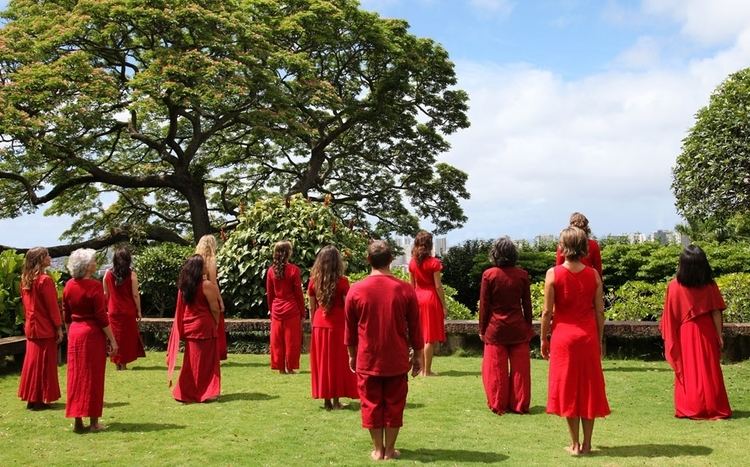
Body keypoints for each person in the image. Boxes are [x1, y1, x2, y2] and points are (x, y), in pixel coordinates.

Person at [345, 240, 423, 461]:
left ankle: (378, 449)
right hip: (396, 357)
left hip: (368, 358)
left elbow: (349, 330)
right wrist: (418, 355)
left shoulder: (356, 290)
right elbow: (416, 328)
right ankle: (390, 449)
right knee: (394, 404)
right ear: (391, 259)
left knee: (370, 404)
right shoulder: (405, 289)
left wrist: (352, 354)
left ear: (368, 260)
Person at [541, 227, 610, 455]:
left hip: (563, 337)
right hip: (588, 335)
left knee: (569, 389)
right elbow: (600, 312)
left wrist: (543, 338)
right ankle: (588, 443)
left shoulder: (553, 274)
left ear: (563, 247)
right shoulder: (594, 275)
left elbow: (547, 313)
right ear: (583, 247)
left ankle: (575, 444)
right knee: (589, 388)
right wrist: (599, 339)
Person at [660, 245, 731, 419]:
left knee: (688, 370)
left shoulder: (674, 286)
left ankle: (691, 406)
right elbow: (715, 311)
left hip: (685, 334)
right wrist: (719, 334)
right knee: (709, 370)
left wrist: (672, 338)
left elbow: (670, 316)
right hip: (706, 330)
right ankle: (714, 406)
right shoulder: (710, 285)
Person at [63, 248, 118, 433]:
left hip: (75, 334)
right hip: (91, 334)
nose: (96, 263)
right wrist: (113, 340)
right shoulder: (94, 286)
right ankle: (94, 422)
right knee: (93, 378)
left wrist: (70, 334)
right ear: (87, 266)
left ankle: (78, 420)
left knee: (76, 377)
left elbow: (67, 314)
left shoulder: (69, 285)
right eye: (94, 261)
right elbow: (102, 318)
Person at [478, 237, 534, 415]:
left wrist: (481, 329)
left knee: (496, 370)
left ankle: (498, 403)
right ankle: (520, 404)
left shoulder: (489, 275)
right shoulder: (522, 275)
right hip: (518, 327)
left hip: (496, 328)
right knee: (521, 370)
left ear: (495, 254)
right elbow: (527, 304)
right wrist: (528, 326)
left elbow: (484, 306)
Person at [166, 255, 222, 403]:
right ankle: (205, 392)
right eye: (203, 265)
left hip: (189, 326)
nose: (206, 268)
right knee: (206, 363)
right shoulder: (206, 285)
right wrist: (215, 323)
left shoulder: (184, 287)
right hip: (204, 326)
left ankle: (187, 392)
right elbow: (215, 309)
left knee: (191, 363)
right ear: (198, 268)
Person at [308, 245, 358, 410]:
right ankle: (336, 401)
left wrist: (313, 324)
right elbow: (348, 307)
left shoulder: (314, 281)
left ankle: (327, 400)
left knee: (322, 362)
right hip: (338, 325)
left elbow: (312, 308)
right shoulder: (343, 282)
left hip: (319, 325)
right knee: (337, 363)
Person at [17, 247, 63, 410]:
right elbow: (52, 307)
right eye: (47, 255)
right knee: (45, 364)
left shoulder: (25, 279)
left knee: (32, 363)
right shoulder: (45, 280)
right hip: (45, 328)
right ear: (40, 259)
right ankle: (42, 398)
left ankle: (32, 397)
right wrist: (59, 327)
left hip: (32, 327)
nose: (50, 258)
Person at [408, 231, 446, 376]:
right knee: (429, 337)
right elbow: (438, 286)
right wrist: (444, 305)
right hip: (430, 298)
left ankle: (422, 369)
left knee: (421, 335)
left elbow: (411, 286)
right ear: (430, 245)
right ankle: (426, 371)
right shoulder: (434, 263)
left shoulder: (412, 263)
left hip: (417, 298)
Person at [102, 246, 145, 370]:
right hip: (128, 311)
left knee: (115, 337)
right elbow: (135, 295)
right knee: (126, 338)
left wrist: (106, 308)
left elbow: (106, 294)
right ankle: (124, 363)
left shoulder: (107, 274)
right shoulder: (132, 274)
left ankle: (117, 362)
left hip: (113, 310)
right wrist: (139, 310)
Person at [266, 241, 305, 374]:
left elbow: (270, 294)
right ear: (288, 253)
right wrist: (302, 311)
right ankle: (290, 366)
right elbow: (298, 293)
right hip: (291, 308)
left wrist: (271, 309)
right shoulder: (294, 270)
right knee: (292, 340)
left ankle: (280, 367)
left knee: (277, 340)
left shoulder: (271, 271)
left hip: (277, 308)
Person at [196, 234, 227, 361]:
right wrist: (220, 300)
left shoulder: (196, 259)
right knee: (215, 323)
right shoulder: (211, 261)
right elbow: (214, 283)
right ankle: (216, 352)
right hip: (209, 293)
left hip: (198, 294)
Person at [555, 212, 602, 278]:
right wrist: (599, 283)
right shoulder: (593, 244)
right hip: (588, 278)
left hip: (567, 279)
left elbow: (558, 266)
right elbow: (598, 268)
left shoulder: (564, 243)